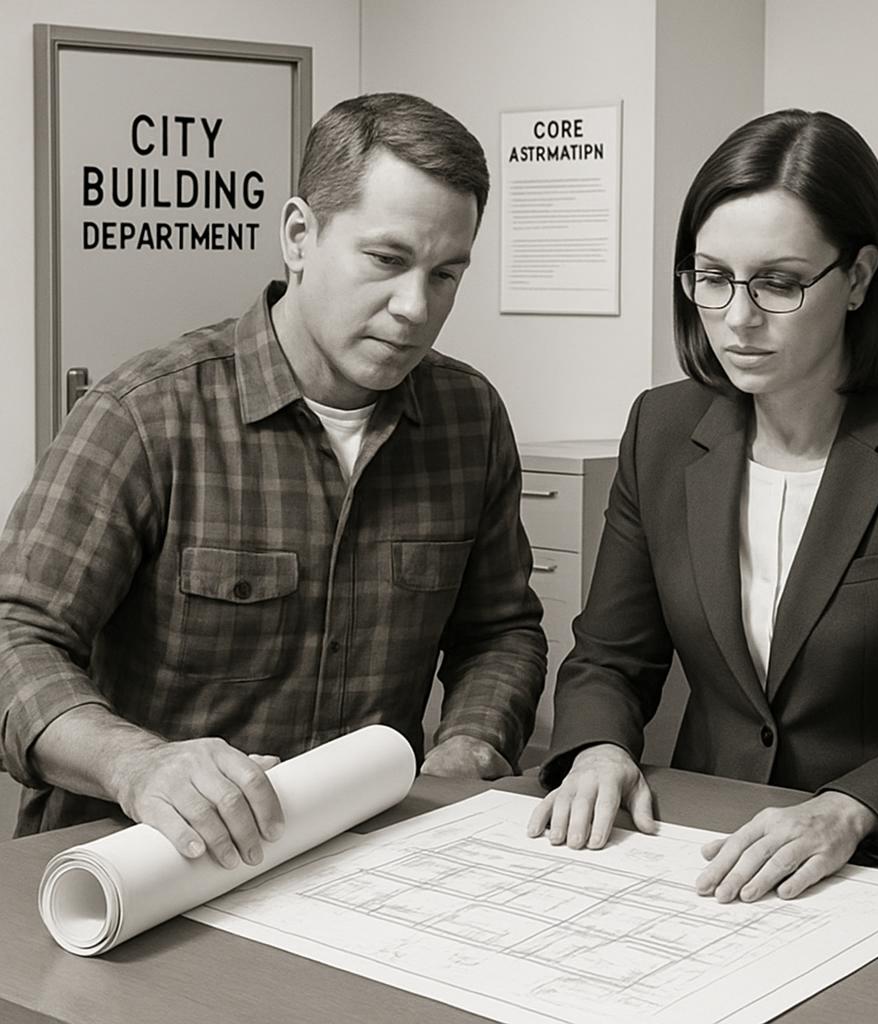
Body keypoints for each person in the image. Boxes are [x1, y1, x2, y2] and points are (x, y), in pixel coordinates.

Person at [0, 92, 546, 868]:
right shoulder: (146, 415)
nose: (414, 308)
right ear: (299, 235)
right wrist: (138, 764)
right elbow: (14, 635)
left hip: (360, 863)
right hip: (144, 865)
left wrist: (469, 743)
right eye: (387, 261)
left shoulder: (470, 418)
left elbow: (499, 630)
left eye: (446, 274)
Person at [528, 108, 878, 902]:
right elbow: (610, 656)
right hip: (704, 842)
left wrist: (849, 810)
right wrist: (597, 748)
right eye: (712, 277)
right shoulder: (662, 427)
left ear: (859, 278)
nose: (736, 317)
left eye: (779, 283)